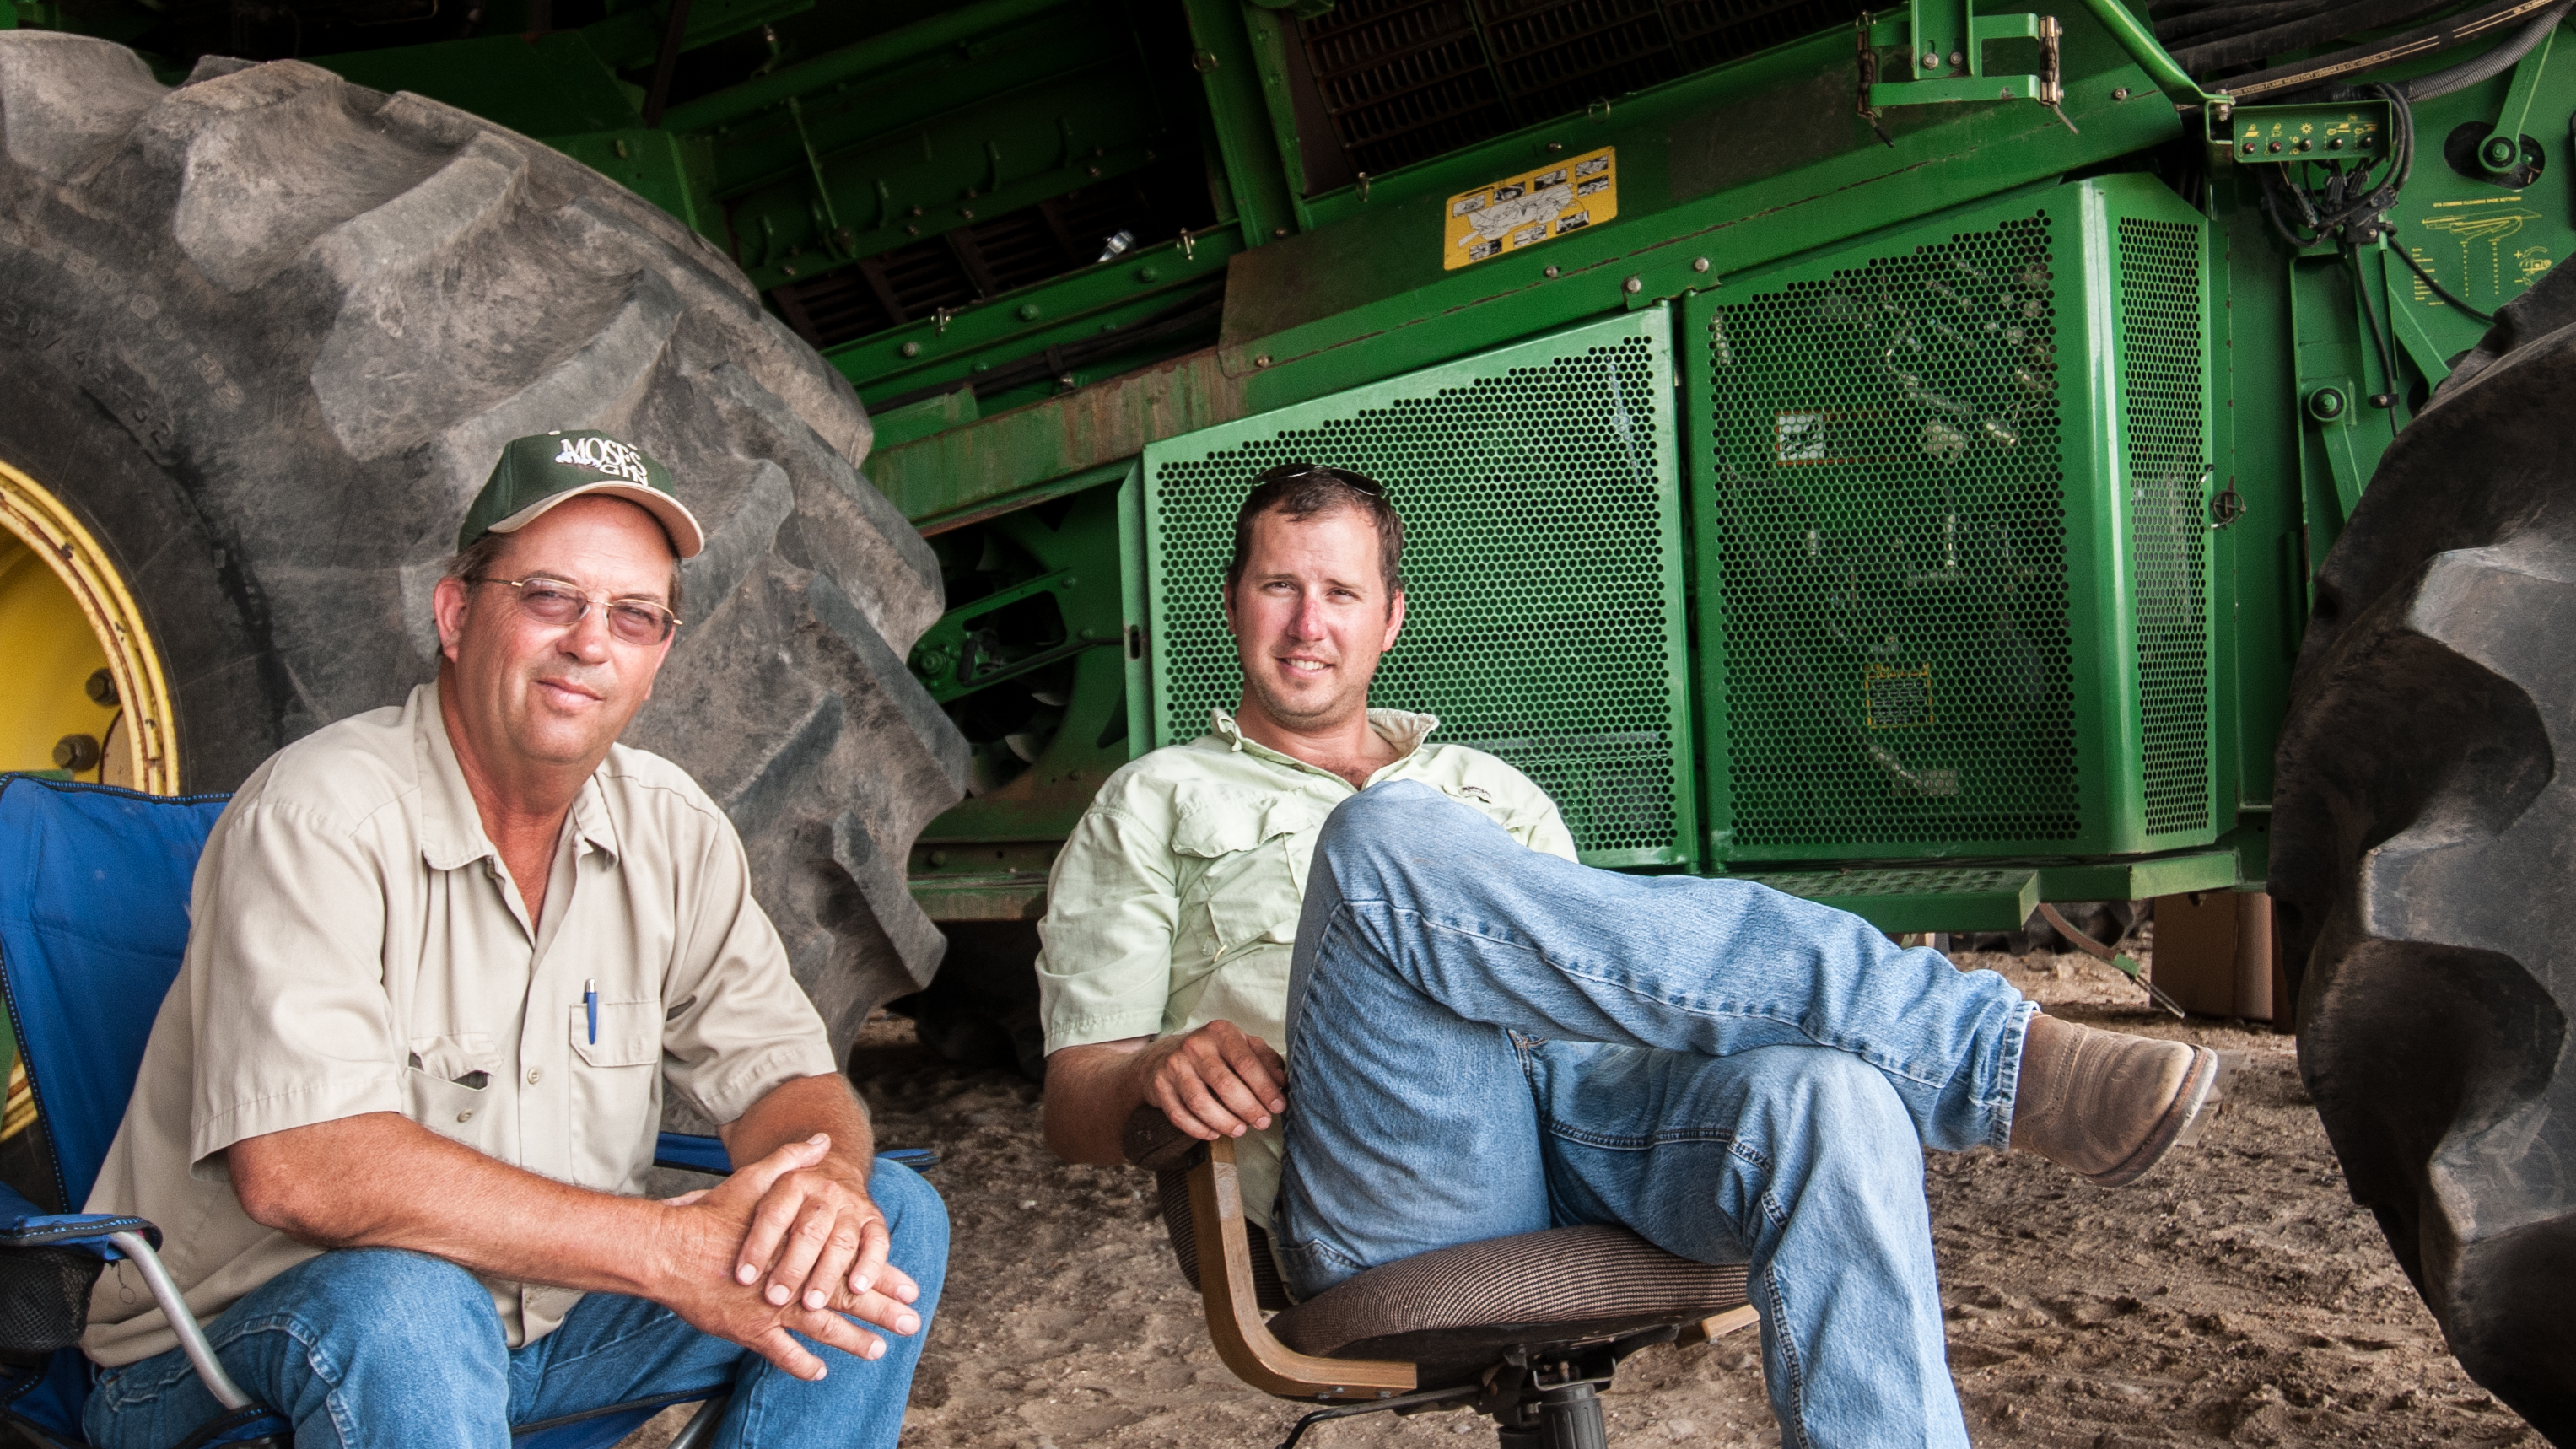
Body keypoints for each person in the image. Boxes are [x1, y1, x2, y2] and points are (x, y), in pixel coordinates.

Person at [1037, 462, 2217, 1448]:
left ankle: (1939, 1063)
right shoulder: (1155, 801)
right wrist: (1150, 1074)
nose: (1309, 622)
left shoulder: (1488, 792)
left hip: (1590, 1125)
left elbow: (1632, 984)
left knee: (1830, 1093)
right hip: (1396, 1175)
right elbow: (1071, 1103)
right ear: (1232, 601)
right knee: (1383, 837)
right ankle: (1989, 1055)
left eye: (1340, 591)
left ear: (1390, 617)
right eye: (1278, 586)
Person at [78, 431, 946, 1449]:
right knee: (409, 1302)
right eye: (549, 597)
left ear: (658, 658)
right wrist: (661, 1245)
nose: (590, 641)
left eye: (633, 616)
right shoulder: (320, 816)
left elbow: (786, 1082)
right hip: (233, 1348)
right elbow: (302, 1167)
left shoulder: (671, 826)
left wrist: (824, 1189)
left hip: (541, 1332)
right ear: (455, 613)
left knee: (891, 1215)